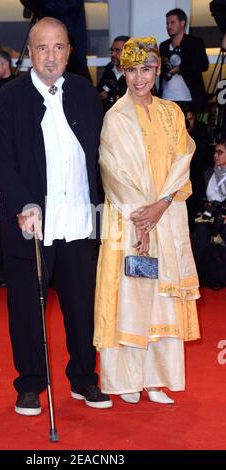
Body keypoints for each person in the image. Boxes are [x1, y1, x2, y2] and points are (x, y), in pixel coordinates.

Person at [0, 17, 112, 416]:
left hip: (78, 220)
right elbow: (2, 164)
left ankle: (83, 379)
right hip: (32, 224)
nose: (51, 56)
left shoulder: (85, 94)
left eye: (59, 47)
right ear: (29, 52)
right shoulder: (7, 101)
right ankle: (29, 384)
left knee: (81, 306)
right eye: (42, 47)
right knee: (26, 309)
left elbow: (100, 156)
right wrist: (24, 206)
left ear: (70, 52)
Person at [93, 37, 200, 405]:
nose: (139, 78)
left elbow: (184, 159)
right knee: (130, 297)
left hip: (165, 218)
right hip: (129, 224)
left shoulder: (171, 113)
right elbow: (114, 172)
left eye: (146, 69)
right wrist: (143, 216)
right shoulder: (115, 117)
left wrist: (161, 206)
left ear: (157, 69)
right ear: (123, 71)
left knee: (160, 299)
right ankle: (126, 379)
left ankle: (155, 379)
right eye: (132, 70)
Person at [159, 8, 209, 112]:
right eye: (167, 23)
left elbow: (203, 65)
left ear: (182, 23)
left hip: (188, 99)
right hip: (166, 98)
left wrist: (180, 69)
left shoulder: (195, 43)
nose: (169, 26)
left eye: (172, 23)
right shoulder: (163, 45)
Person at [193, 140, 226, 289]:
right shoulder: (207, 173)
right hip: (208, 214)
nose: (215, 155)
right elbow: (199, 197)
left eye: (220, 152)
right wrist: (205, 209)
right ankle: (206, 277)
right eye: (215, 152)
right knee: (201, 234)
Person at [97, 36, 129, 114]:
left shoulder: (137, 74)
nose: (113, 54)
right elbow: (98, 92)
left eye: (117, 51)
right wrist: (100, 96)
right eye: (111, 50)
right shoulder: (107, 70)